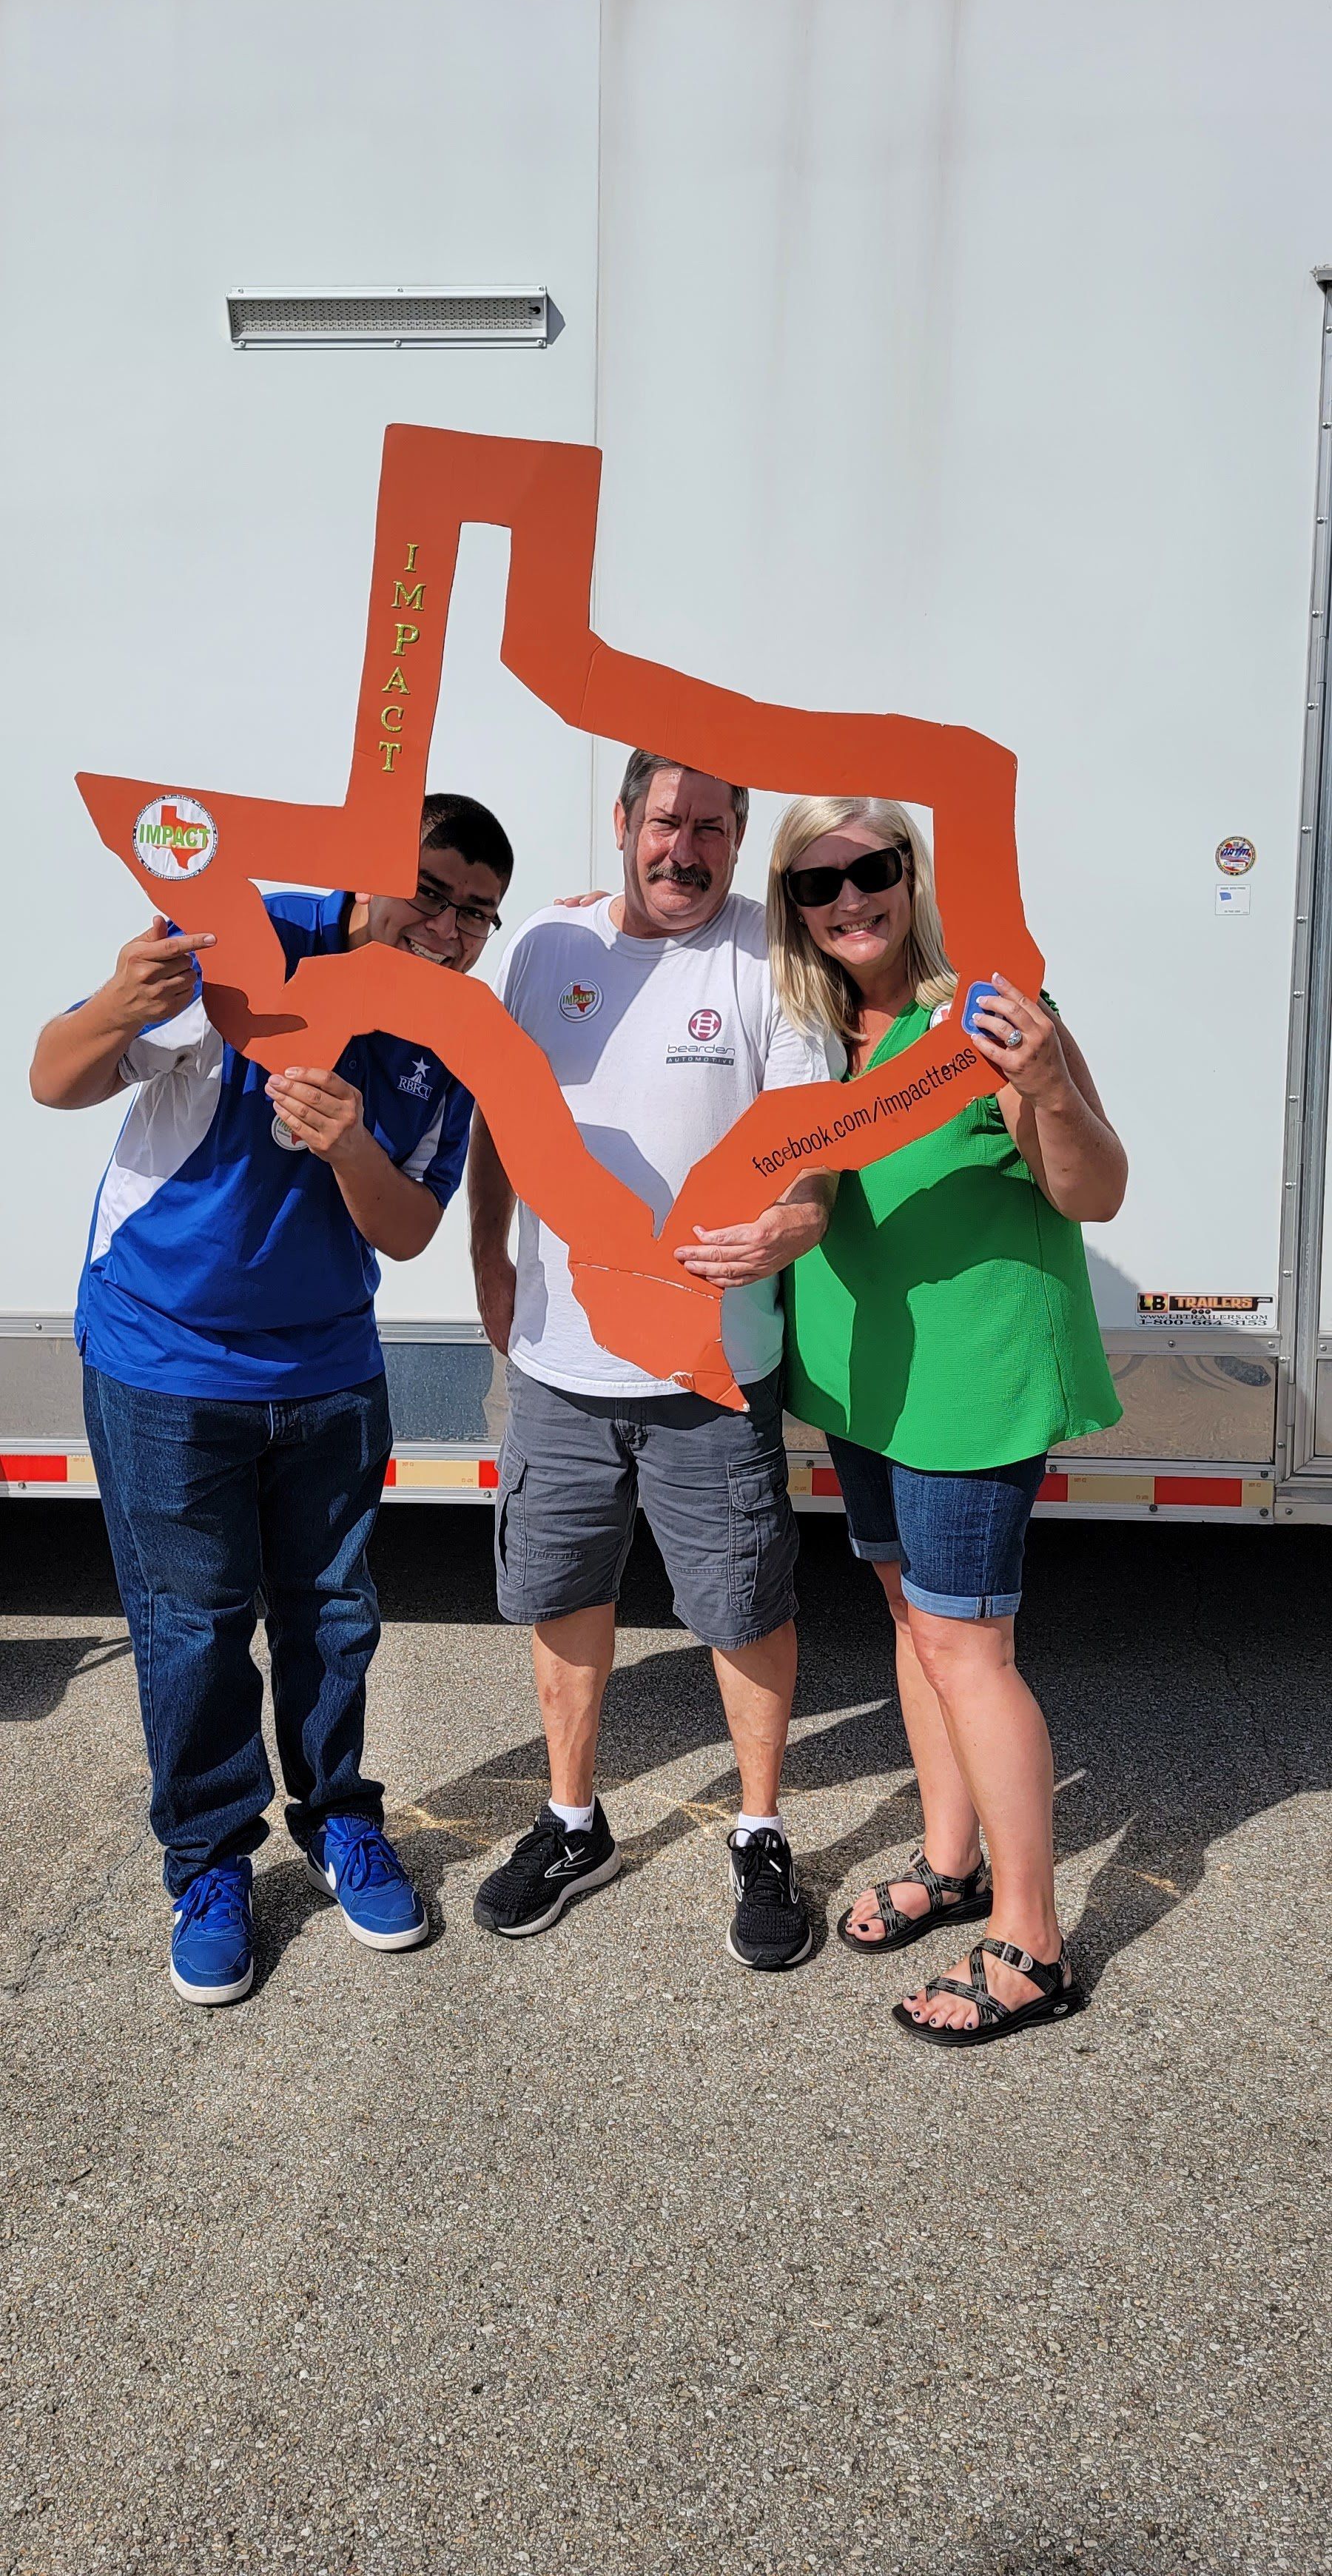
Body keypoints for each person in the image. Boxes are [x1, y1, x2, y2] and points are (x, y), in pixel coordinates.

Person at [30, 793, 514, 2007]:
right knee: (191, 1626)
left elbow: (406, 1233)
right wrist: (116, 1002)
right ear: (369, 868)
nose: (451, 930)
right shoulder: (245, 940)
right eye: (435, 891)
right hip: (163, 1360)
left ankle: (341, 1820)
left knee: (332, 1615)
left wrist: (351, 1143)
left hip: (328, 1369)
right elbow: (54, 1077)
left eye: (480, 916)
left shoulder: (449, 1028)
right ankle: (207, 1861)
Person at [466, 751, 832, 1968]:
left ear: (741, 836)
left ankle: (761, 1831)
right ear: (623, 821)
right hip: (564, 1359)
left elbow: (810, 1135)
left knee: (740, 1606)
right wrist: (483, 1254)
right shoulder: (543, 949)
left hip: (711, 1369)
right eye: (667, 822)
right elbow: (498, 1117)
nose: (687, 848)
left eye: (715, 828)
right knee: (564, 1593)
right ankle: (574, 1823)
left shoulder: (769, 959)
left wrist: (805, 1212)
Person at [772, 795, 1127, 2045]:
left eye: (872, 870)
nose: (850, 901)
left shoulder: (988, 1008)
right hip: (866, 1376)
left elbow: (1095, 1187)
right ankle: (950, 1859)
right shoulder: (820, 1029)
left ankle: (1031, 1941)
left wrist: (1045, 1083)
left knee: (972, 1650)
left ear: (914, 872)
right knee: (917, 1629)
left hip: (970, 1388)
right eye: (819, 885)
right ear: (794, 908)